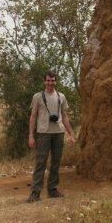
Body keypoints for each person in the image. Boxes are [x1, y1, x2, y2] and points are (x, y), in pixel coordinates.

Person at [26, 70, 76, 203]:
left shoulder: (61, 96)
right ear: (44, 81)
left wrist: (70, 134)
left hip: (58, 133)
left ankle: (52, 190)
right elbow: (33, 116)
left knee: (56, 162)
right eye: (48, 80)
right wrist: (31, 136)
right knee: (41, 163)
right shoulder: (37, 97)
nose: (50, 83)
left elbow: (64, 117)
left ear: (56, 81)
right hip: (43, 134)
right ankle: (35, 193)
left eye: (53, 80)